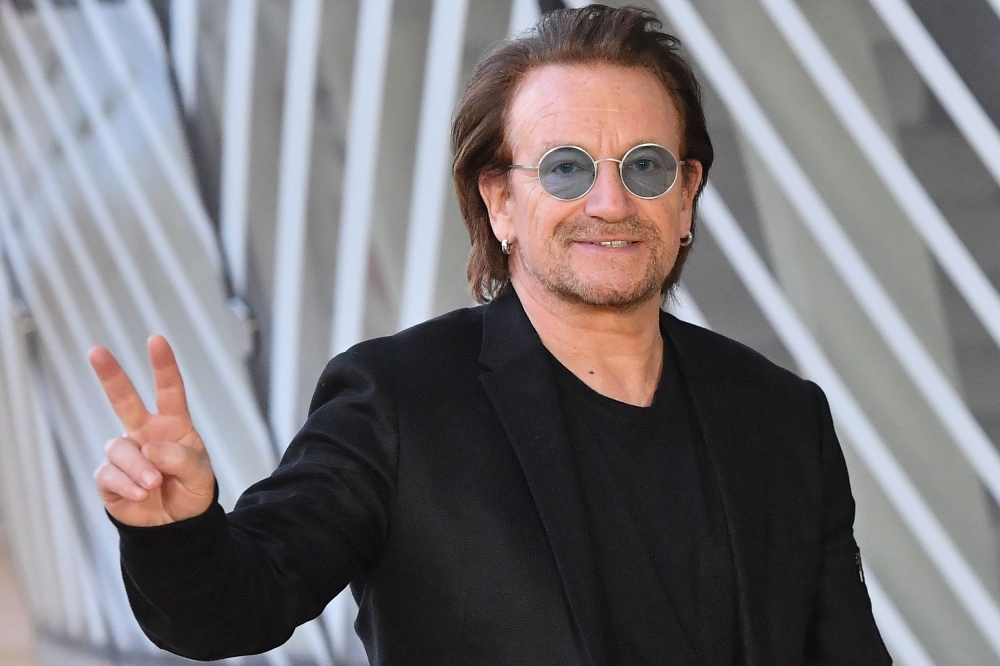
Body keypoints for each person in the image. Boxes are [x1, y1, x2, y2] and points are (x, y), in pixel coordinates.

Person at [90, 5, 891, 665]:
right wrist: (177, 533)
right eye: (566, 169)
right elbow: (242, 602)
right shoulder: (398, 400)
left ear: (685, 197)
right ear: (500, 202)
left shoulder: (782, 419)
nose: (609, 202)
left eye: (645, 167)